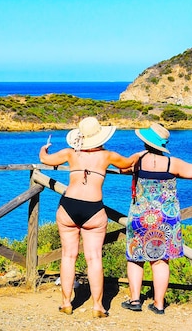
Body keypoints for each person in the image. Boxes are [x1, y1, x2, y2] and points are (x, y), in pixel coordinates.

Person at [39, 116, 137, 318]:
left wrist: (44, 148)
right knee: (94, 258)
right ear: (100, 136)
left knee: (68, 256)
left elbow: (45, 160)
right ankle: (98, 306)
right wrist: (140, 154)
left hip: (68, 205)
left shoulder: (69, 153)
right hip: (93, 208)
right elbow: (128, 163)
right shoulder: (107, 156)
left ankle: (66, 303)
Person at [121, 123, 192, 315]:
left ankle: (135, 300)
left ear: (146, 142)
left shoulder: (138, 161)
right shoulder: (173, 163)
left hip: (140, 216)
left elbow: (123, 168)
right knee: (161, 261)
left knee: (135, 258)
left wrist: (138, 156)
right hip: (165, 219)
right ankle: (159, 304)